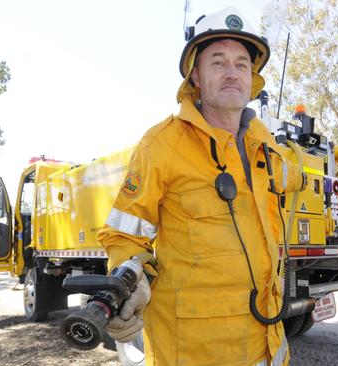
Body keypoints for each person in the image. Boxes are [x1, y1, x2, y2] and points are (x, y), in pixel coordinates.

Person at [96, 6, 305, 366]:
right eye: (218, 62)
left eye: (242, 64)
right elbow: (124, 234)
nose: (231, 73)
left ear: (252, 78)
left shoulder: (263, 141)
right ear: (195, 75)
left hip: (267, 342)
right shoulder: (161, 144)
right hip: (195, 349)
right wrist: (130, 279)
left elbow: (289, 184)